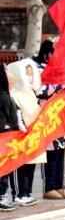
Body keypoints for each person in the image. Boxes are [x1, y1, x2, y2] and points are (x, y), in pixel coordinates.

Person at [7, 59, 44, 206]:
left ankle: (27, 192)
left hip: (33, 135)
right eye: (26, 74)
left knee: (31, 165)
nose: (29, 78)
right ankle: (18, 193)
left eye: (31, 74)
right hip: (20, 136)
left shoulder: (32, 93)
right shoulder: (13, 94)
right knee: (19, 166)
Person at [0, 65, 19, 211]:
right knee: (3, 168)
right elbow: (12, 116)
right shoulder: (4, 96)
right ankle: (1, 196)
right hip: (3, 136)